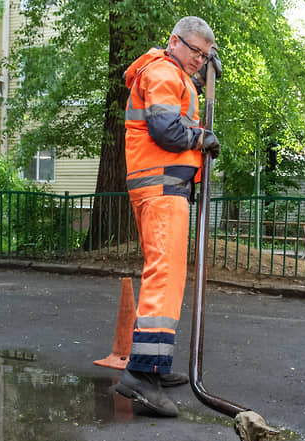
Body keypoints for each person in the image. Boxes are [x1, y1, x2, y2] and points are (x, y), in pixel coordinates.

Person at [114, 16, 221, 417]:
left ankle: (154, 365)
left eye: (204, 54)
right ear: (174, 41)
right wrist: (200, 137)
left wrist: (209, 68)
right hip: (161, 189)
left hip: (163, 188)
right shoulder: (161, 72)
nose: (198, 59)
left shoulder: (174, 73)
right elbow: (165, 129)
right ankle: (142, 374)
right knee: (164, 278)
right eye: (194, 51)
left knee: (167, 277)